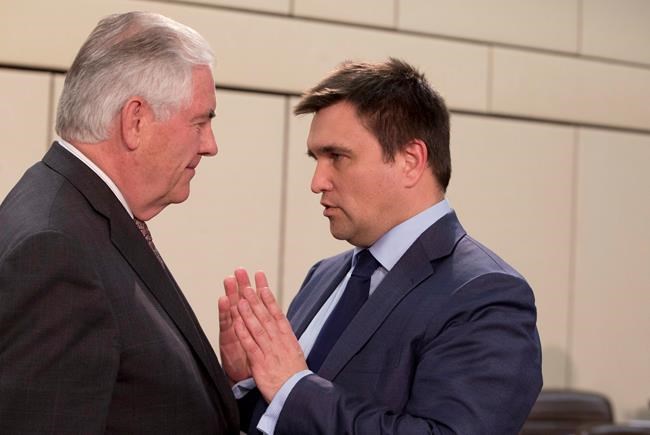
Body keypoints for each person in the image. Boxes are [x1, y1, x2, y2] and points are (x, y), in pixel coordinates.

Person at [218, 58, 542, 434]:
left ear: (410, 161)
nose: (317, 181)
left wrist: (293, 388)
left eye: (337, 157)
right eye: (316, 159)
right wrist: (248, 383)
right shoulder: (324, 276)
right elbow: (288, 415)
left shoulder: (486, 294)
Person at [0, 11, 238, 434]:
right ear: (135, 121)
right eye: (200, 122)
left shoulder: (71, 213)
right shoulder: (57, 248)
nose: (210, 145)